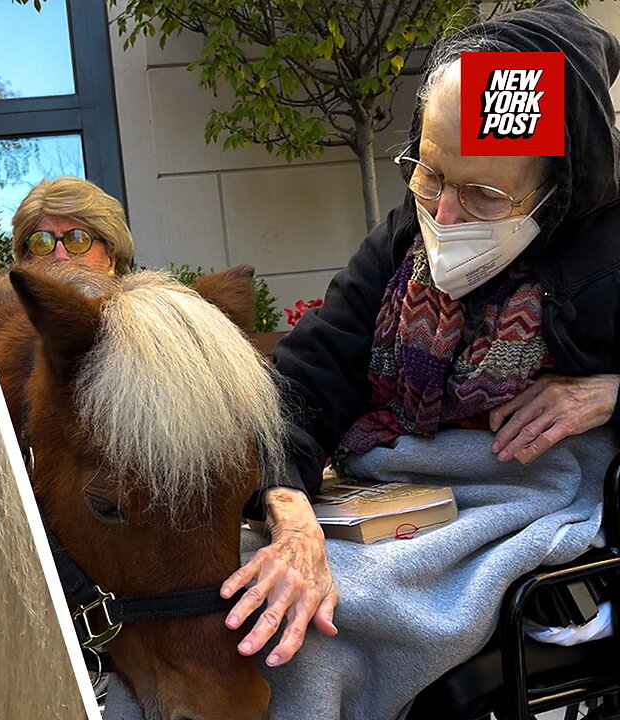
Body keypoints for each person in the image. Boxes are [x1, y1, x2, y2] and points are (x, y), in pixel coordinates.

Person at [212, 2, 620, 718]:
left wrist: (613, 391)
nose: (446, 217)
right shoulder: (399, 240)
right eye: (430, 175)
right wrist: (289, 507)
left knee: (310, 632)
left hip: (518, 499)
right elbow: (302, 383)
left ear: (558, 191)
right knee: (223, 587)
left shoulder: (608, 253)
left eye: (486, 195)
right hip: (386, 493)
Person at [10, 176, 135, 275]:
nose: (60, 256)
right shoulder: (5, 306)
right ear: (27, 261)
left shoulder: (141, 307)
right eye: (41, 243)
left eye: (77, 240)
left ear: (111, 257)